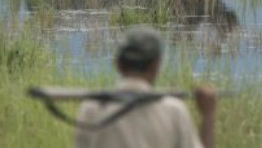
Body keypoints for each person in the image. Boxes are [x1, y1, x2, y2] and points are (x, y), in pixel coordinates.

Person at [75, 27, 217, 148]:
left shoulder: (91, 109)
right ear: (155, 66)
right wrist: (208, 115)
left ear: (118, 64)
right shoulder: (174, 111)